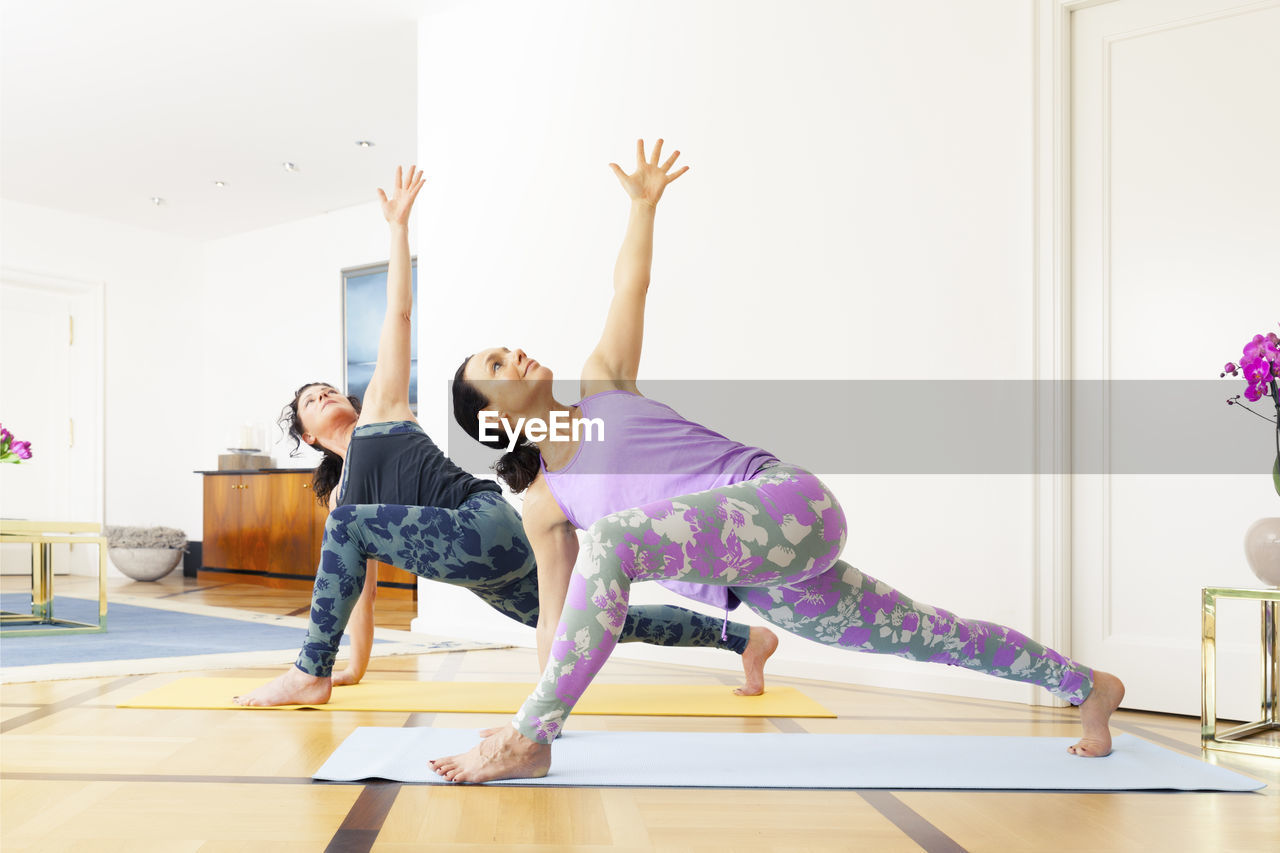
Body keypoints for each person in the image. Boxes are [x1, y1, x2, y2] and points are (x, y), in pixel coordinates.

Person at [435, 139, 1126, 782]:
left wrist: (642, 208)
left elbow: (628, 289)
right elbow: (555, 621)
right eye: (497, 362)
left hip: (787, 503)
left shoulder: (603, 384)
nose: (515, 351)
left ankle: (529, 739)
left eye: (505, 346)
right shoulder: (545, 504)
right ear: (495, 419)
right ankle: (1088, 686)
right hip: (770, 583)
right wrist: (543, 691)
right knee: (925, 632)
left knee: (615, 540)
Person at [232, 165, 776, 707]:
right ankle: (745, 639)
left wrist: (397, 228)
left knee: (350, 528)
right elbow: (360, 593)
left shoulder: (381, 407)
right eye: (310, 399)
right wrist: (355, 666)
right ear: (305, 435)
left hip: (482, 523)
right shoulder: (342, 503)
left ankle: (307, 671)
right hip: (489, 564)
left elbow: (398, 315)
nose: (324, 395)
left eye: (328, 389)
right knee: (579, 623)